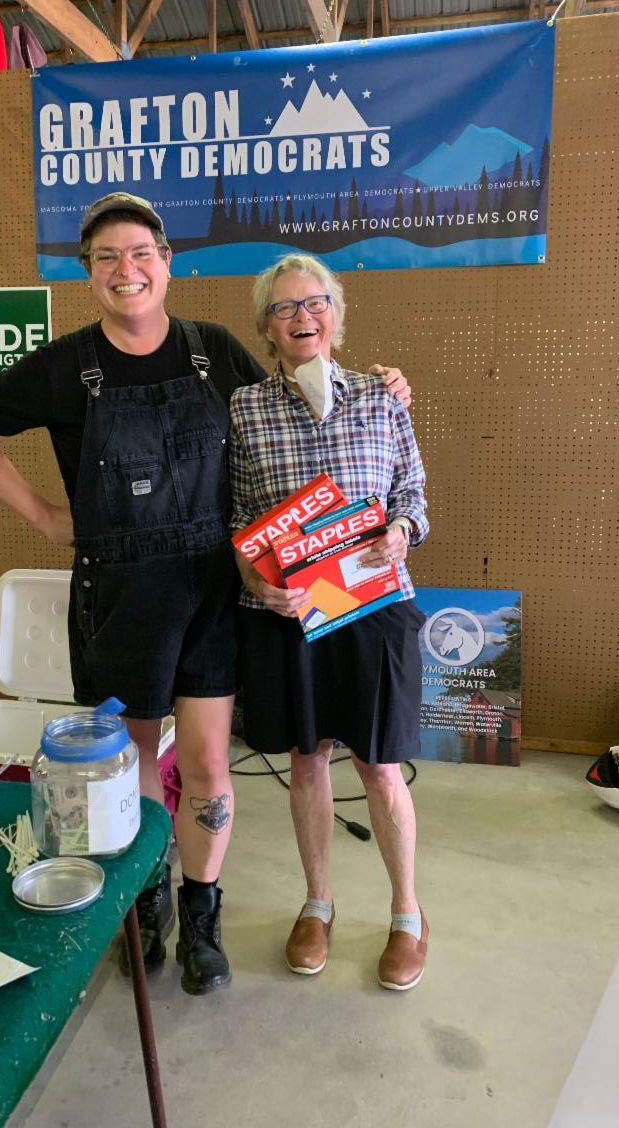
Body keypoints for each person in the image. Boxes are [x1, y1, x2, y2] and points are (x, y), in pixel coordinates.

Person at [0, 194, 411, 996]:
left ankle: (201, 912)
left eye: (140, 254)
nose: (125, 270)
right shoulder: (65, 366)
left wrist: (377, 383)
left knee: (205, 763)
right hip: (120, 596)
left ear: (166, 263)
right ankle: (144, 896)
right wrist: (47, 517)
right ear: (88, 272)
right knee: (127, 763)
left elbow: (296, 399)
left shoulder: (212, 351)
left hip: (209, 591)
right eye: (106, 257)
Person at [229, 253, 429, 991]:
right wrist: (256, 580)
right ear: (266, 328)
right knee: (307, 758)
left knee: (379, 764)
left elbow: (412, 491)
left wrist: (402, 530)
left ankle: (407, 913)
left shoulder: (381, 396)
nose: (302, 316)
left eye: (315, 303)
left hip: (374, 605)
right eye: (284, 308)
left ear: (337, 317)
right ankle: (318, 904)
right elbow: (237, 517)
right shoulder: (245, 408)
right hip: (290, 614)